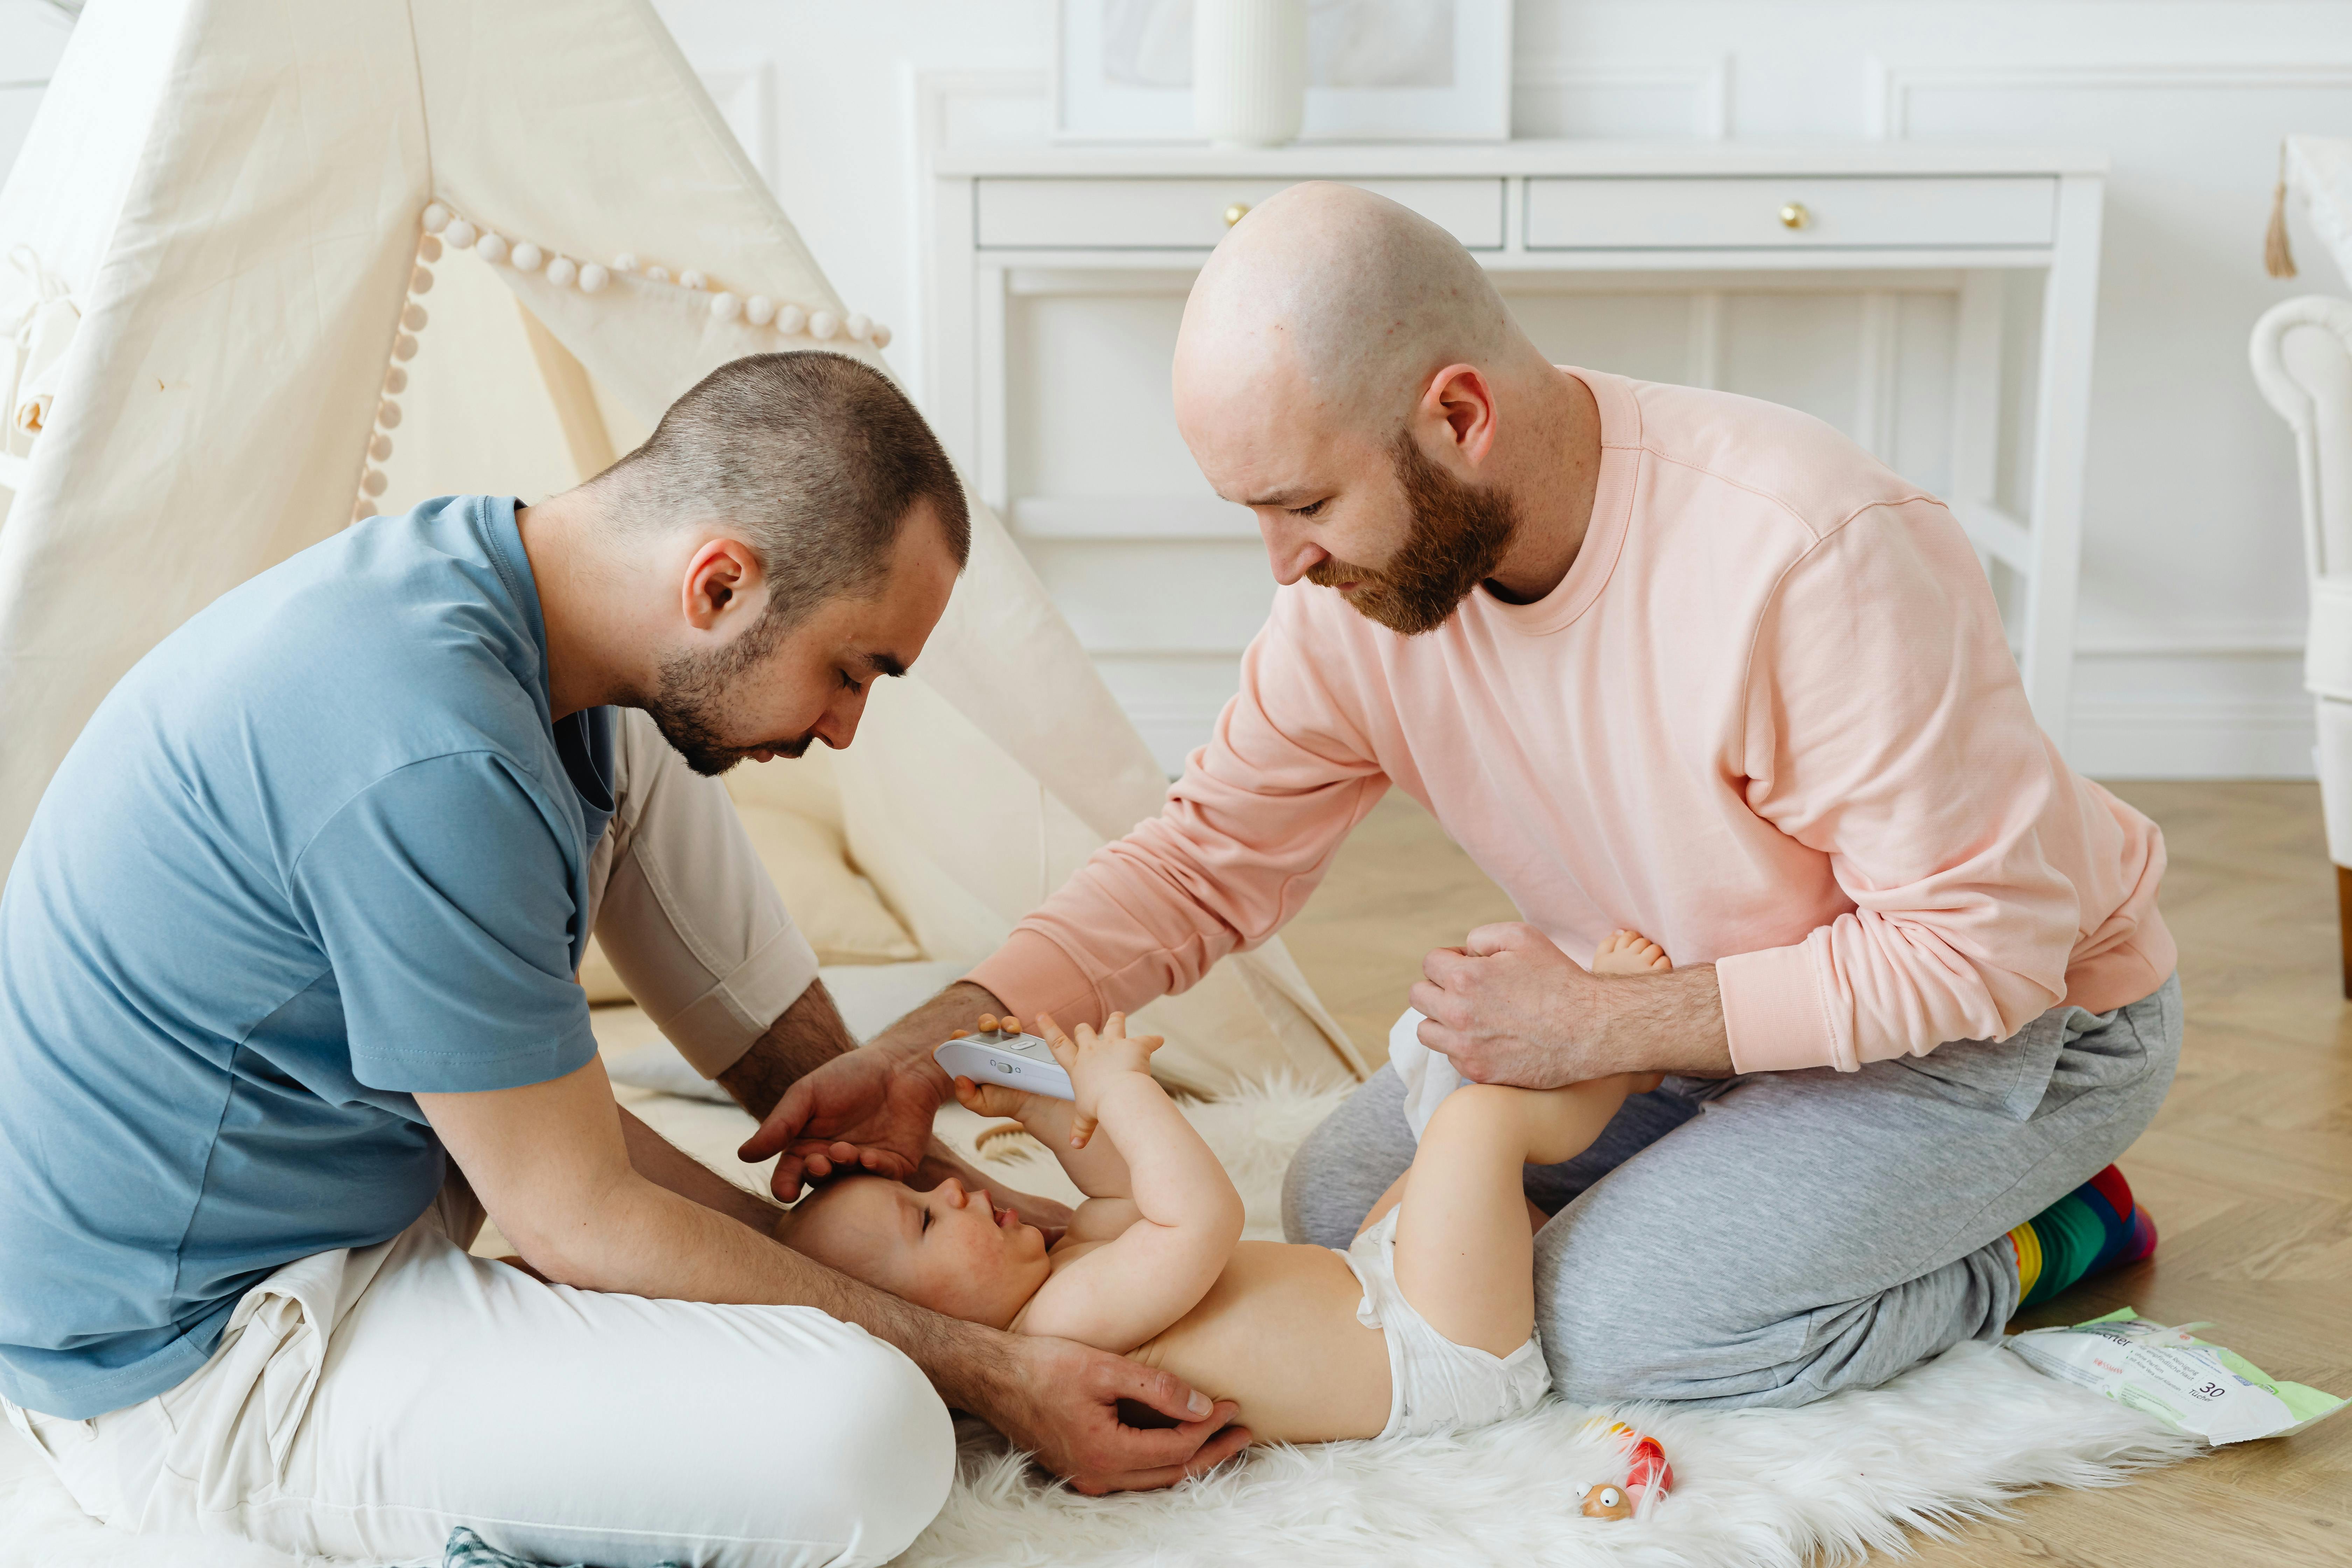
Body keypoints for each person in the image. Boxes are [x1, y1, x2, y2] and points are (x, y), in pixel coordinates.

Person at [747, 184, 2183, 1412]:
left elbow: (1981, 953)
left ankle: (2045, 1233)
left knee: (1610, 1327)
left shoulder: (1811, 553)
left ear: (1459, 414)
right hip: (1694, 1026)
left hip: (2022, 1025)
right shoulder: (1356, 606)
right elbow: (1202, 867)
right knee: (1333, 1207)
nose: (1282, 565)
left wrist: (1602, 1025)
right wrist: (947, 1036)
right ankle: (1751, 1182)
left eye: (1303, 504)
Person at [0, 352, 1243, 1568]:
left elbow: (558, 1156)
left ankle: (860, 1137)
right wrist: (991, 1369)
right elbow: (569, 1215)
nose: (846, 727)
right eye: (851, 670)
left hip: (362, 1187)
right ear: (718, 585)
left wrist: (884, 1212)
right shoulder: (437, 758)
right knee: (875, 1436)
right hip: (191, 1360)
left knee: (650, 741)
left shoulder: (497, 590)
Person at [786, 932, 2156, 1446]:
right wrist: (1134, 1100)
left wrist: (1044, 1103)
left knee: (1424, 1141)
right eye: (922, 1223)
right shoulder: (1056, 1332)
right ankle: (1627, 1044)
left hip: (1383, 1296)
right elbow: (1194, 1218)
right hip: (1432, 1351)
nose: (959, 1193)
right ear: (928, 1343)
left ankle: (1661, 1070)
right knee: (1481, 1125)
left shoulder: (1063, 1272)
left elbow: (1105, 1182)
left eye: (932, 1184)